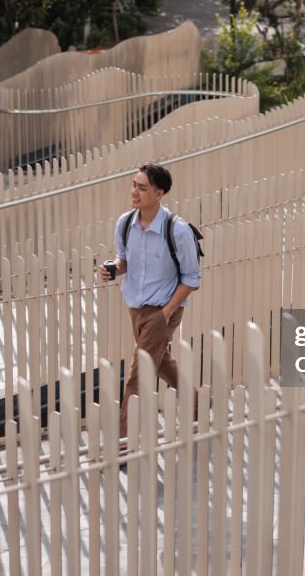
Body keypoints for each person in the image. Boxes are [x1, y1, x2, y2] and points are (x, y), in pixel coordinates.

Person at [99, 163, 202, 443]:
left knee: (139, 373)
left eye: (142, 187)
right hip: (135, 305)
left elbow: (192, 278)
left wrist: (165, 314)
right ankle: (198, 406)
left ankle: (123, 442)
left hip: (164, 308)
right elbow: (125, 260)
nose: (134, 191)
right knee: (160, 363)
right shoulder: (125, 223)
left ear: (159, 193)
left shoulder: (178, 230)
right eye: (134, 185)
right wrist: (114, 267)